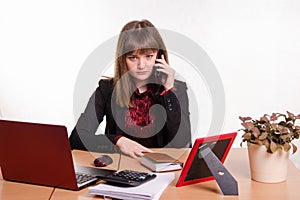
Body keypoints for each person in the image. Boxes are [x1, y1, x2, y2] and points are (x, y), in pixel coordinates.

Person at [70, 19, 191, 158]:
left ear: (159, 56)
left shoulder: (176, 89)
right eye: (133, 57)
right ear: (123, 59)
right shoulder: (107, 89)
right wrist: (117, 141)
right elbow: (77, 138)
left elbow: (183, 144)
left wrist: (169, 91)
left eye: (148, 56)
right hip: (121, 169)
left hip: (161, 168)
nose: (141, 65)